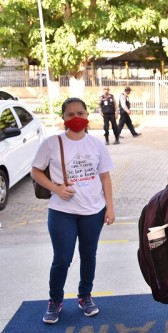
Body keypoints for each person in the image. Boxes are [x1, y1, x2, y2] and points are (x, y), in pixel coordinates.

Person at [31, 97, 116, 324]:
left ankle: (85, 296)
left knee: (89, 256)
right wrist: (56, 189)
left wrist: (110, 207)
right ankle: (55, 301)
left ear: (88, 116)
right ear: (63, 118)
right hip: (62, 212)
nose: (76, 118)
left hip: (93, 211)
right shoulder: (52, 143)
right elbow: (36, 171)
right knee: (62, 258)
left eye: (80, 113)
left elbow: (105, 177)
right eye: (70, 114)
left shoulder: (97, 144)